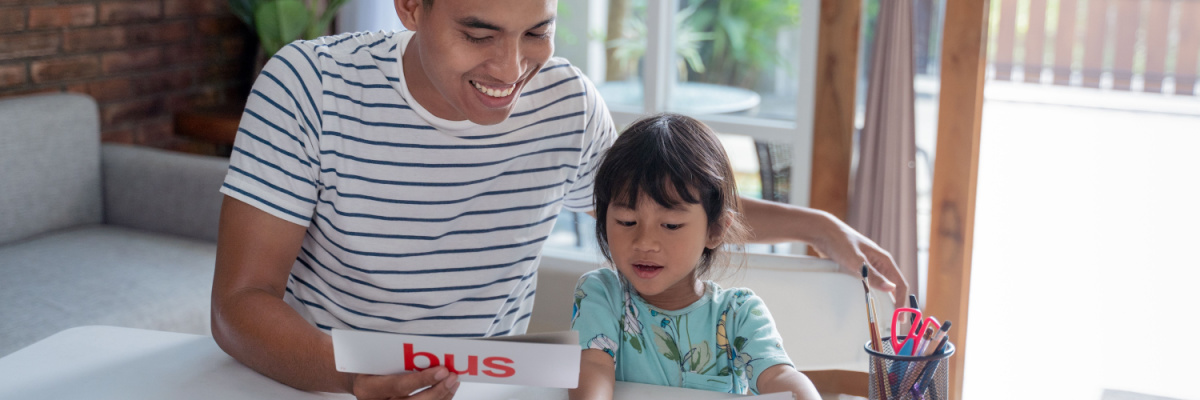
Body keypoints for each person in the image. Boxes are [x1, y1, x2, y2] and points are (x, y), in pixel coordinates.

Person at [211, 0, 907, 398]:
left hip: (492, 387)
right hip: (318, 382)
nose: (511, 71)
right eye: (478, 33)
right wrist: (359, 376)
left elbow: (663, 210)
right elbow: (239, 307)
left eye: (537, 31)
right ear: (411, 7)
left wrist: (816, 226)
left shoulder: (565, 103)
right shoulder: (309, 85)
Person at [567, 114, 822, 399]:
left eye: (671, 225)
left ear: (714, 230)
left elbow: (779, 376)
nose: (645, 242)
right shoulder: (601, 294)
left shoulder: (738, 314)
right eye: (627, 221)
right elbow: (592, 368)